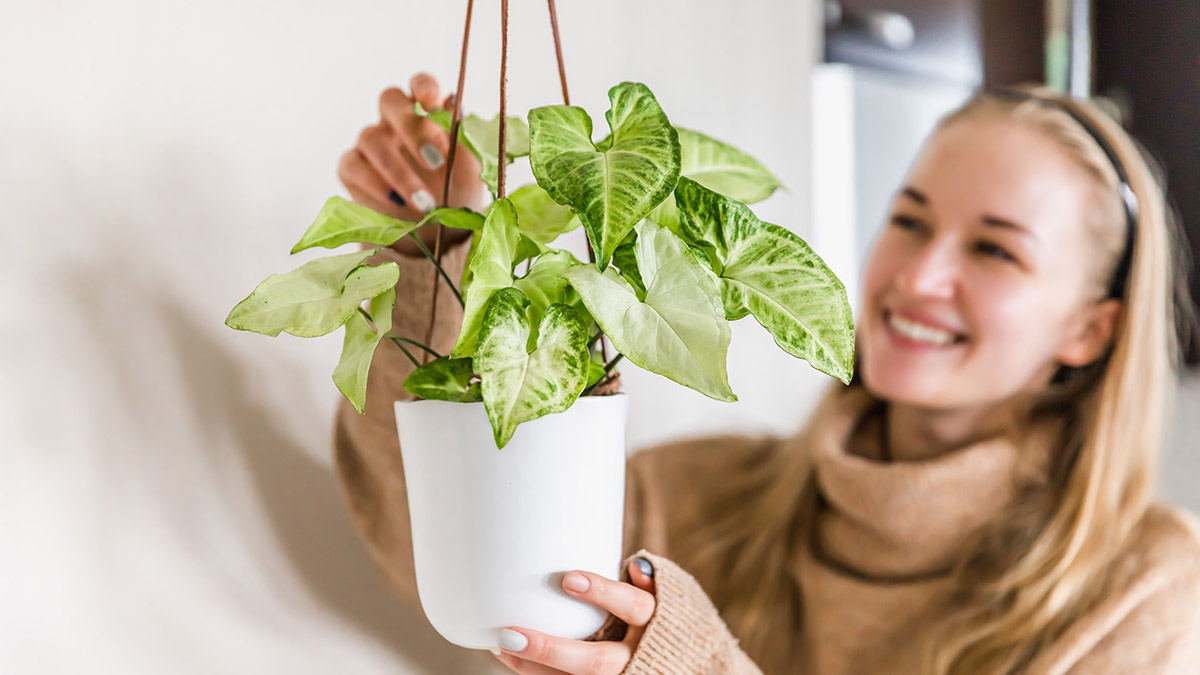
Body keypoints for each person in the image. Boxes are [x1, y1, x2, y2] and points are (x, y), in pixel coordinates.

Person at [332, 73, 1200, 674]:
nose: (920, 275)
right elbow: (454, 551)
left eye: (995, 249)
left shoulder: (1140, 584)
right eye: (909, 218)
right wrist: (433, 248)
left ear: (1091, 329)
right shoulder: (711, 492)